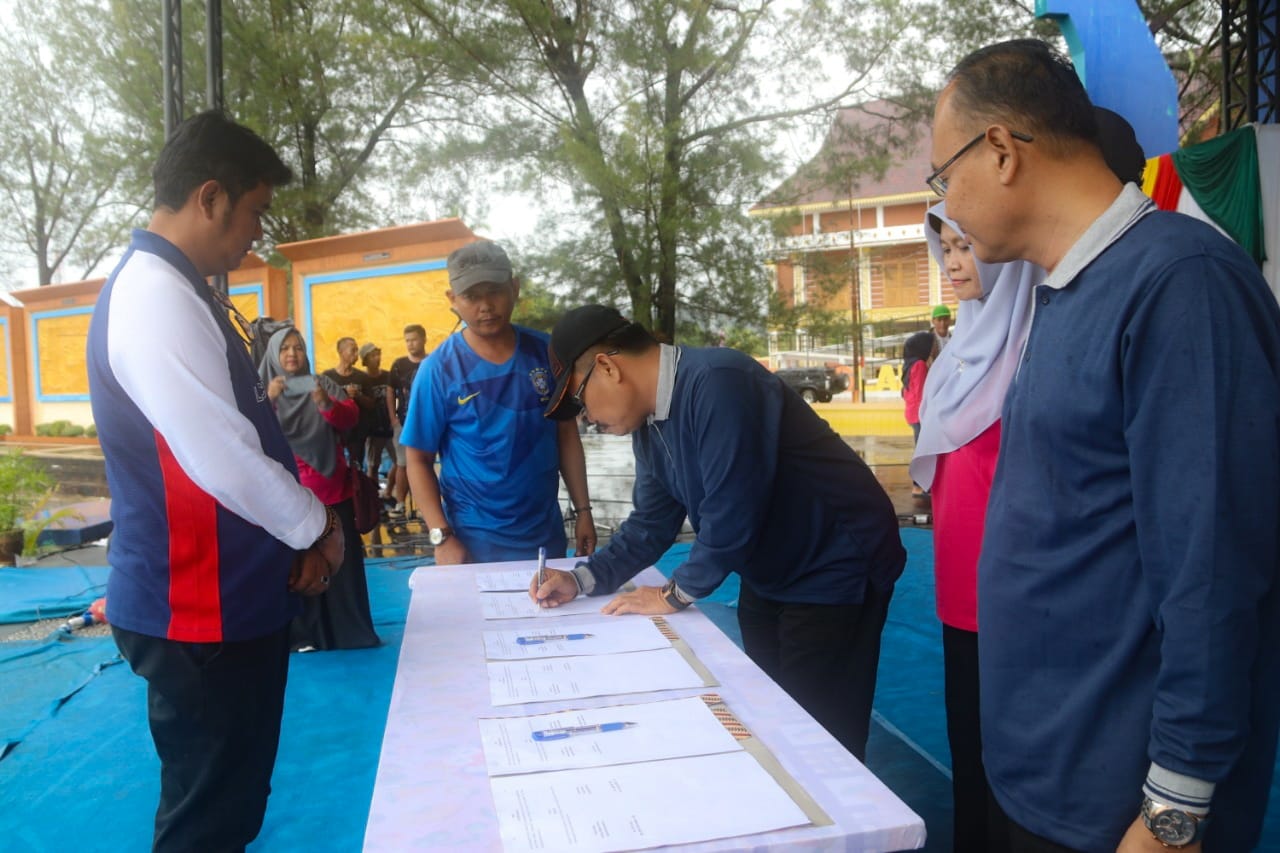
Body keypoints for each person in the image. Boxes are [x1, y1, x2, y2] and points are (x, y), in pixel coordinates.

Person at [930, 38, 1280, 852]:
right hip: (1045, 771)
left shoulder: (1181, 284)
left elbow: (1215, 566)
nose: (948, 202)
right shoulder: (1068, 290)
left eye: (945, 176)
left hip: (1118, 809)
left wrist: (1175, 805)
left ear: (1003, 151)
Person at [85, 110, 344, 852]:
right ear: (209, 197)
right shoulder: (153, 295)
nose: (255, 234)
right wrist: (318, 529)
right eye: (253, 212)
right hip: (194, 605)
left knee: (229, 803)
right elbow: (219, 454)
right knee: (208, 819)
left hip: (223, 596)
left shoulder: (180, 287)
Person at [531, 305, 907, 762]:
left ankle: (850, 826)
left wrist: (673, 594)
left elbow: (734, 511)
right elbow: (651, 523)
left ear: (608, 367)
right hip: (770, 564)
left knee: (821, 732)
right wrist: (582, 579)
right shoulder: (650, 425)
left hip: (836, 559)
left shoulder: (720, 381)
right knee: (771, 710)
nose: (586, 419)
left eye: (578, 401)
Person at [912, 204, 1041, 853]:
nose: (955, 262)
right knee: (968, 743)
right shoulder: (956, 353)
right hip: (957, 594)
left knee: (1015, 763)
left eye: (967, 245)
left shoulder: (1032, 348)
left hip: (1017, 597)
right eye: (948, 249)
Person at [400, 240, 596, 564]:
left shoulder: (547, 353)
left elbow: (566, 435)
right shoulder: (438, 370)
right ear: (452, 300)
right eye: (472, 296)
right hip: (471, 542)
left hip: (546, 538)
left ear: (515, 287)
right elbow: (418, 459)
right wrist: (441, 535)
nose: (485, 305)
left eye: (494, 290)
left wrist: (584, 510)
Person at [262, 328, 380, 652]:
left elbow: (350, 419)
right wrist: (270, 400)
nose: (292, 354)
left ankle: (349, 632)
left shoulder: (322, 383)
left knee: (341, 564)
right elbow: (251, 431)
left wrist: (326, 403)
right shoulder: (260, 393)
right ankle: (304, 636)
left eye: (297, 347)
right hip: (287, 494)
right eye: (284, 348)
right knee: (299, 569)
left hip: (332, 489)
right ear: (274, 354)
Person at [387, 323, 428, 517]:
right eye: (407, 341)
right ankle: (400, 504)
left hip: (428, 422)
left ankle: (424, 506)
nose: (410, 344)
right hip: (403, 422)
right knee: (402, 464)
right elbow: (390, 391)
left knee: (425, 464)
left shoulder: (432, 362)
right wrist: (392, 417)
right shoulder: (398, 365)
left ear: (423, 339)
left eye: (414, 340)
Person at [322, 336, 372, 472]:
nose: (356, 354)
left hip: (357, 432)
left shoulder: (362, 377)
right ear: (341, 352)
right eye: (353, 350)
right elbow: (322, 404)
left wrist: (358, 395)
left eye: (357, 350)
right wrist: (343, 394)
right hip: (335, 433)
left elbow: (371, 404)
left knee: (356, 467)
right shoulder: (327, 377)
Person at [359, 342, 397, 492]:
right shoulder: (363, 379)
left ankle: (388, 491)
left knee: (400, 462)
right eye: (373, 355)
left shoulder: (388, 376)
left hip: (390, 426)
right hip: (373, 429)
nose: (377, 358)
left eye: (378, 354)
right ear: (366, 360)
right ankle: (373, 496)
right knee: (373, 464)